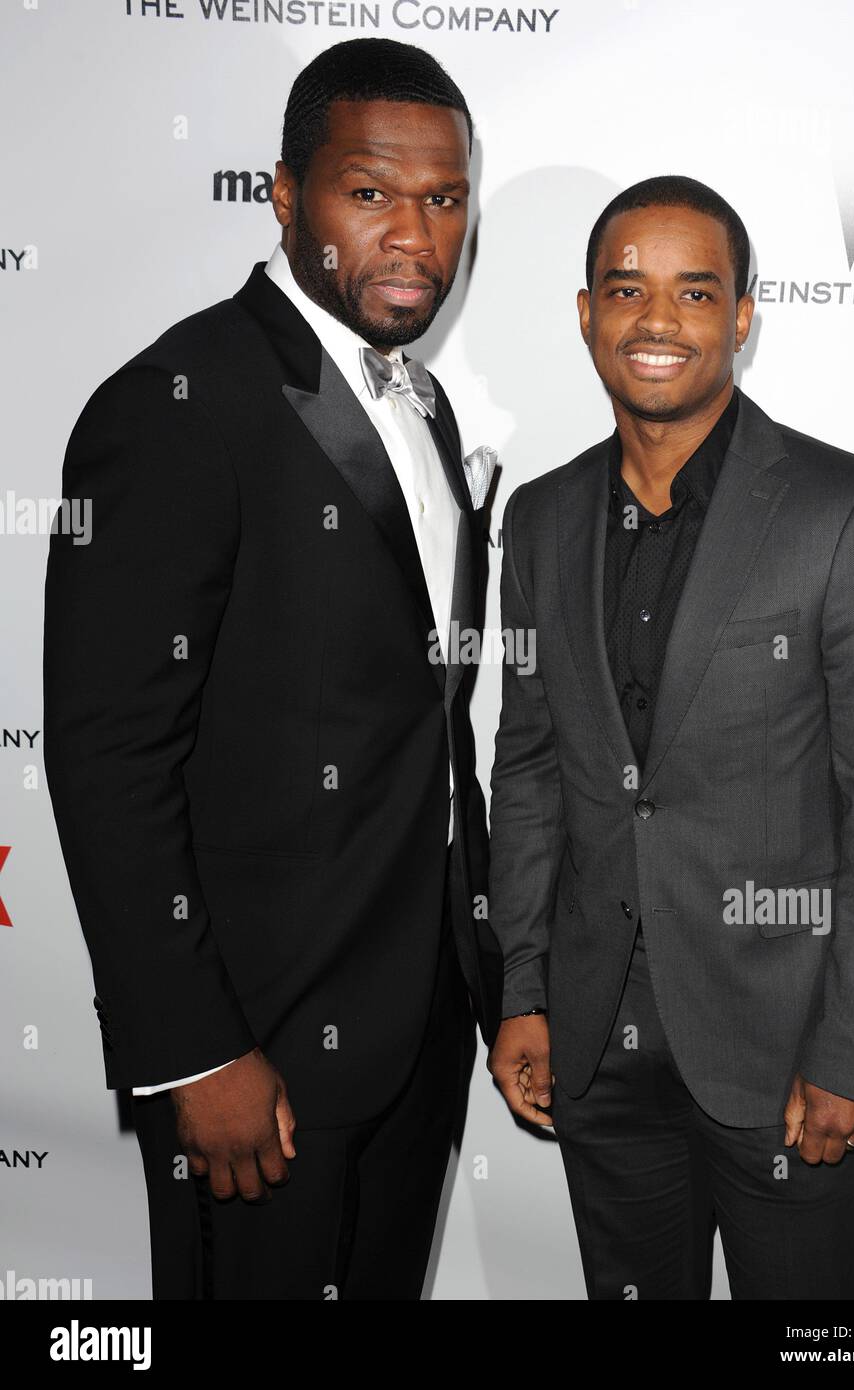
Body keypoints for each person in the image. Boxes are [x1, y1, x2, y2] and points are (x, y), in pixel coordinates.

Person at [43, 37, 501, 1301]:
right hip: (257, 1055)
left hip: (416, 1024)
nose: (412, 235)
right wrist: (193, 1054)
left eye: (444, 198)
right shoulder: (178, 401)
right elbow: (108, 752)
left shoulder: (423, 402)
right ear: (284, 194)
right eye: (369, 193)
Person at [487, 174, 854, 1300]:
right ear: (586, 311)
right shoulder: (539, 517)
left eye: (694, 292)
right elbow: (533, 764)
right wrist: (523, 988)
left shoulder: (849, 511)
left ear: (742, 314)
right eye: (625, 289)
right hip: (596, 1047)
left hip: (786, 1054)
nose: (656, 320)